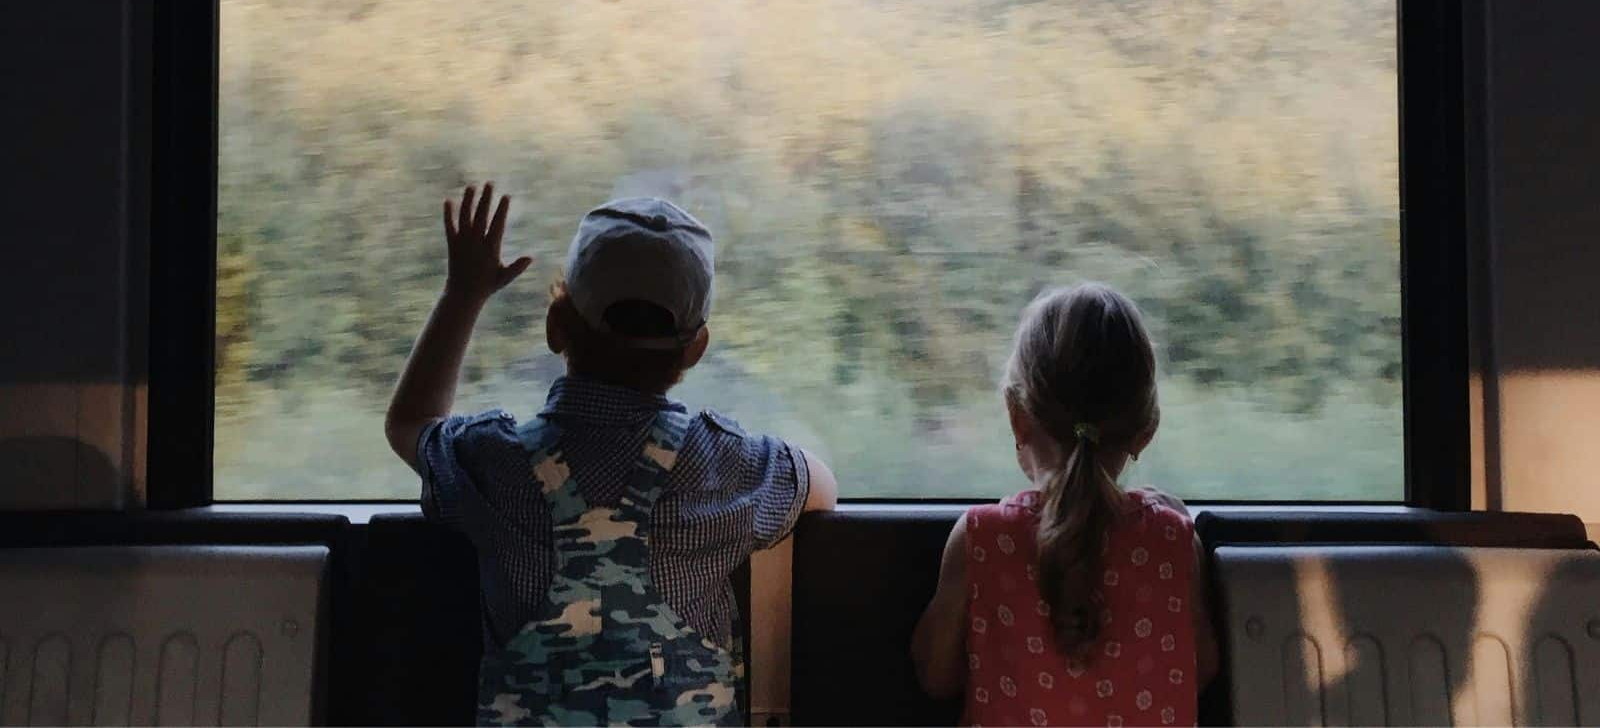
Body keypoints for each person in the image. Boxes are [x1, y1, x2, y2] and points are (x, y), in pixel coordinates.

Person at [384, 184, 838, 726]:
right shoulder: (725, 467)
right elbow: (821, 486)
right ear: (695, 349)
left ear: (556, 327)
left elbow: (410, 423)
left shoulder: (493, 463)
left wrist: (464, 294)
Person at [911, 283, 1217, 727]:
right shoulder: (1173, 542)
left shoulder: (983, 539)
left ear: (1017, 416)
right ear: (1144, 431)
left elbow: (935, 676)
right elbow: (1200, 669)